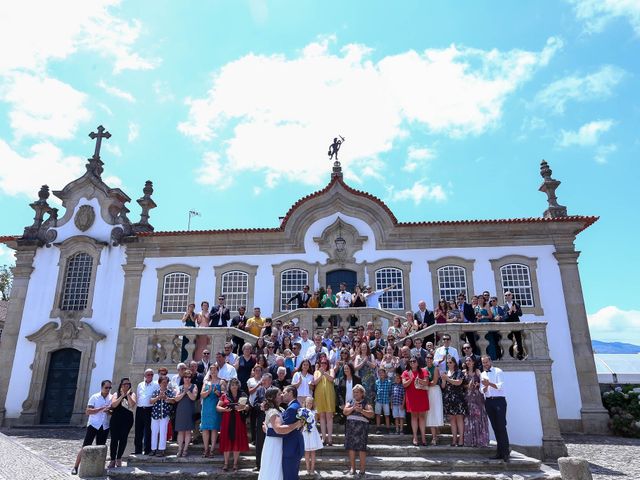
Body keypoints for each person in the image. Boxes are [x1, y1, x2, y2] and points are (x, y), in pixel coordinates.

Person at [264, 385, 305, 480]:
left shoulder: (291, 408)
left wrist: (268, 430)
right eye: (280, 394)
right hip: (286, 445)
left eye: (283, 392)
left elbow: (283, 430)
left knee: (289, 475)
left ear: (290, 393)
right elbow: (282, 429)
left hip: (291, 447)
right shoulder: (291, 407)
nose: (282, 395)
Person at [72, 380, 112, 475]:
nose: (108, 390)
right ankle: (76, 466)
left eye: (109, 388)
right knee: (85, 446)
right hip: (93, 424)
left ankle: (98, 468)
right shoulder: (94, 397)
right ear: (102, 387)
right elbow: (88, 411)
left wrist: (109, 412)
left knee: (101, 447)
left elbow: (111, 412)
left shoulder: (111, 398)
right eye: (106, 387)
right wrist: (101, 408)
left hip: (104, 425)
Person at [480, 355, 510, 461]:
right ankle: (499, 452)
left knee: (501, 426)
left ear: (490, 361)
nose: (485, 364)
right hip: (489, 402)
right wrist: (485, 387)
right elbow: (481, 390)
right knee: (495, 428)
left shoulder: (498, 371)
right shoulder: (482, 374)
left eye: (486, 362)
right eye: (483, 363)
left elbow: (500, 386)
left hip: (499, 401)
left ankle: (506, 452)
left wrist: (489, 384)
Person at [217, 378, 250, 471]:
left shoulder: (242, 394)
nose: (234, 386)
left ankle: (235, 464)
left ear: (238, 385)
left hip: (239, 421)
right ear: (229, 386)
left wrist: (242, 407)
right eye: (232, 385)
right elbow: (217, 407)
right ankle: (226, 463)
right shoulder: (225, 395)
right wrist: (224, 409)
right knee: (227, 442)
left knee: (237, 442)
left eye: (236, 384)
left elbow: (248, 407)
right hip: (227, 421)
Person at [343, 384, 375, 477]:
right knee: (351, 448)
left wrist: (361, 411)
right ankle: (352, 468)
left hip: (362, 429)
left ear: (362, 393)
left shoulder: (366, 402)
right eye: (354, 392)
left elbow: (371, 414)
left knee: (361, 449)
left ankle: (362, 469)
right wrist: (353, 408)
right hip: (351, 428)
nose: (355, 394)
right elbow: (345, 412)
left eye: (357, 392)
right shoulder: (350, 401)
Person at [108, 377, 136, 467]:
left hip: (127, 420)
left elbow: (132, 405)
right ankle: (112, 459)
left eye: (128, 384)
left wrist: (127, 395)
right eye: (124, 384)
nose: (126, 385)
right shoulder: (116, 394)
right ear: (121, 385)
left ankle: (119, 458)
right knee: (114, 440)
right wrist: (121, 396)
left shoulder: (132, 394)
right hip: (116, 419)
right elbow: (113, 404)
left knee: (123, 439)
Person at [401, 356, 429, 446]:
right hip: (411, 396)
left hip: (421, 396)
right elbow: (404, 385)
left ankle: (423, 438)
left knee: (422, 416)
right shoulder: (406, 372)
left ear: (417, 362)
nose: (412, 363)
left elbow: (426, 382)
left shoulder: (423, 371)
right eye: (411, 361)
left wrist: (419, 380)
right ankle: (415, 437)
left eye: (414, 361)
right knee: (413, 416)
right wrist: (411, 379)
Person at [463, 356, 489, 447]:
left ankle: (480, 440)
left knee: (478, 417)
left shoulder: (477, 371)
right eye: (466, 361)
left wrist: (478, 384)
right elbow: (462, 385)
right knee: (469, 417)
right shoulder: (464, 372)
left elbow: (483, 382)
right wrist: (467, 386)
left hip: (477, 396)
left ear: (473, 362)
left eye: (470, 360)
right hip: (468, 397)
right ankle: (470, 441)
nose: (468, 362)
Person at [441, 357, 467, 447]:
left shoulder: (459, 372)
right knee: (452, 420)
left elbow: (458, 382)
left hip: (458, 398)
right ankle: (454, 439)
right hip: (449, 398)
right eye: (447, 362)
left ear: (455, 363)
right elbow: (443, 386)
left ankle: (461, 439)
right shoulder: (445, 373)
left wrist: (447, 379)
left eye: (450, 362)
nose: (449, 364)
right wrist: (444, 380)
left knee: (459, 418)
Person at [200, 364, 223, 457]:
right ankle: (206, 449)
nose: (213, 372)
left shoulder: (221, 381)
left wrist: (217, 393)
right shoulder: (206, 382)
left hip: (215, 407)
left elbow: (223, 395)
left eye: (215, 370)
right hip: (206, 407)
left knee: (214, 428)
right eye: (211, 370)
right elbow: (202, 394)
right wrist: (208, 391)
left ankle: (212, 450)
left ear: (218, 371)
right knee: (205, 428)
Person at [312, 358, 336, 446]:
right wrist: (321, 374)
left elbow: (332, 379)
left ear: (327, 364)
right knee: (321, 416)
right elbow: (315, 382)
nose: (323, 364)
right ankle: (323, 437)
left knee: (329, 416)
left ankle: (330, 438)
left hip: (329, 395)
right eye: (322, 363)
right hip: (319, 395)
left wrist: (324, 373)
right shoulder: (316, 372)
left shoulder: (331, 370)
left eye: (325, 363)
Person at [149, 375, 174, 457]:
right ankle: (153, 449)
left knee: (163, 432)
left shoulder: (169, 392)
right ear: (159, 383)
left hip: (165, 415)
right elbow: (151, 401)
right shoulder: (155, 391)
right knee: (154, 432)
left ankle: (161, 449)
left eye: (166, 383)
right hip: (155, 415)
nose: (165, 384)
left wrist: (166, 397)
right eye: (163, 383)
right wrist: (158, 397)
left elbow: (173, 401)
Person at [174, 369, 198, 456]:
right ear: (183, 378)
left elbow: (193, 398)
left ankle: (185, 449)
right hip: (180, 411)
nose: (187, 379)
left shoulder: (194, 386)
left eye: (189, 377)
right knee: (180, 431)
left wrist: (187, 391)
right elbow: (176, 399)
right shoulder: (179, 387)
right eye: (185, 377)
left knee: (188, 431)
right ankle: (180, 449)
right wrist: (184, 392)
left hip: (189, 410)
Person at [134, 369, 156, 455]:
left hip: (149, 409)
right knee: (138, 430)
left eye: (151, 374)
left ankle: (147, 450)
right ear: (144, 375)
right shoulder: (140, 385)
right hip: (140, 409)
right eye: (148, 374)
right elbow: (138, 396)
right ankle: (137, 450)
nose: (149, 376)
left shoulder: (156, 385)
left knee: (148, 430)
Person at [425, 354, 444, 445]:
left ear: (433, 359)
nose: (429, 359)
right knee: (430, 412)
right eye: (427, 358)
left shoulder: (436, 368)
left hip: (434, 391)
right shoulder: (424, 369)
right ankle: (435, 434)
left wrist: (425, 383)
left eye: (430, 358)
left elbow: (434, 382)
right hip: (427, 391)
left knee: (434, 412)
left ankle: (435, 436)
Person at [302, 396, 323, 475]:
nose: (309, 404)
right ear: (305, 403)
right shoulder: (302, 411)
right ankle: (307, 468)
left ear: (313, 404)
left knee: (313, 452)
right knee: (307, 452)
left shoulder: (315, 412)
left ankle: (312, 468)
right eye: (308, 403)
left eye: (311, 403)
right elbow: (301, 422)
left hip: (313, 432)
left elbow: (315, 422)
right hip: (305, 433)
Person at [502, 291, 524, 360]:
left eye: (509, 295)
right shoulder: (504, 306)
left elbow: (520, 314)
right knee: (510, 340)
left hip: (516, 324)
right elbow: (504, 317)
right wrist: (508, 313)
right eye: (506, 295)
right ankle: (511, 355)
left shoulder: (516, 304)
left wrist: (515, 311)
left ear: (512, 296)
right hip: (508, 325)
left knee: (519, 340)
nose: (507, 296)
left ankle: (520, 354)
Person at [374, 367, 392, 433]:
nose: (381, 374)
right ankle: (378, 428)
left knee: (387, 415)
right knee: (378, 414)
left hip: (386, 401)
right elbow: (375, 390)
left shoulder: (389, 382)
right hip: (378, 400)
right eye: (379, 373)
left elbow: (390, 392)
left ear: (385, 373)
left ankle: (388, 429)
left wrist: (390, 400)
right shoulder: (377, 381)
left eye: (382, 372)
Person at [390, 369, 405, 435]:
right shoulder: (393, 386)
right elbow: (391, 396)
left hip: (400, 404)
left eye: (398, 378)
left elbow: (404, 396)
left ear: (401, 379)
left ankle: (401, 430)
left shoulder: (402, 386)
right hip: (394, 404)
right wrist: (391, 404)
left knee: (401, 417)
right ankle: (397, 429)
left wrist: (403, 404)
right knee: (396, 417)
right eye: (396, 378)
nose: (397, 379)